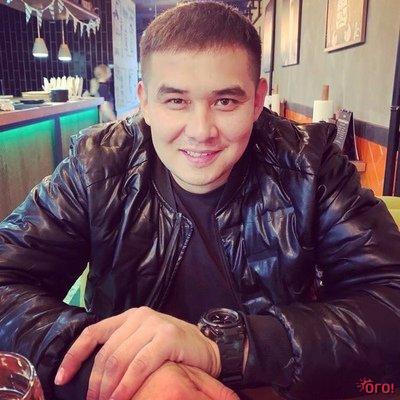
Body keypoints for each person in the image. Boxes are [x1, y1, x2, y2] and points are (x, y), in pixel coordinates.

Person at [0, 2, 400, 400]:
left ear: (257, 100)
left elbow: (390, 300)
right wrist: (115, 367)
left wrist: (225, 348)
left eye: (225, 101)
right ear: (145, 102)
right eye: (176, 101)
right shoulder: (97, 166)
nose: (201, 131)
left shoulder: (310, 165)